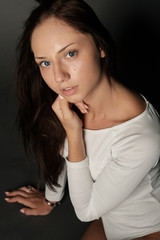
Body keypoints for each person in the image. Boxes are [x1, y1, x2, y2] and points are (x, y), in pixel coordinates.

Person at [4, 0, 160, 239]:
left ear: (100, 46)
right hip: (107, 218)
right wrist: (51, 200)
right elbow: (60, 151)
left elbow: (86, 211)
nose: (59, 77)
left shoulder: (142, 138)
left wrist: (74, 133)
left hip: (147, 229)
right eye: (45, 63)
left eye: (70, 53)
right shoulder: (72, 100)